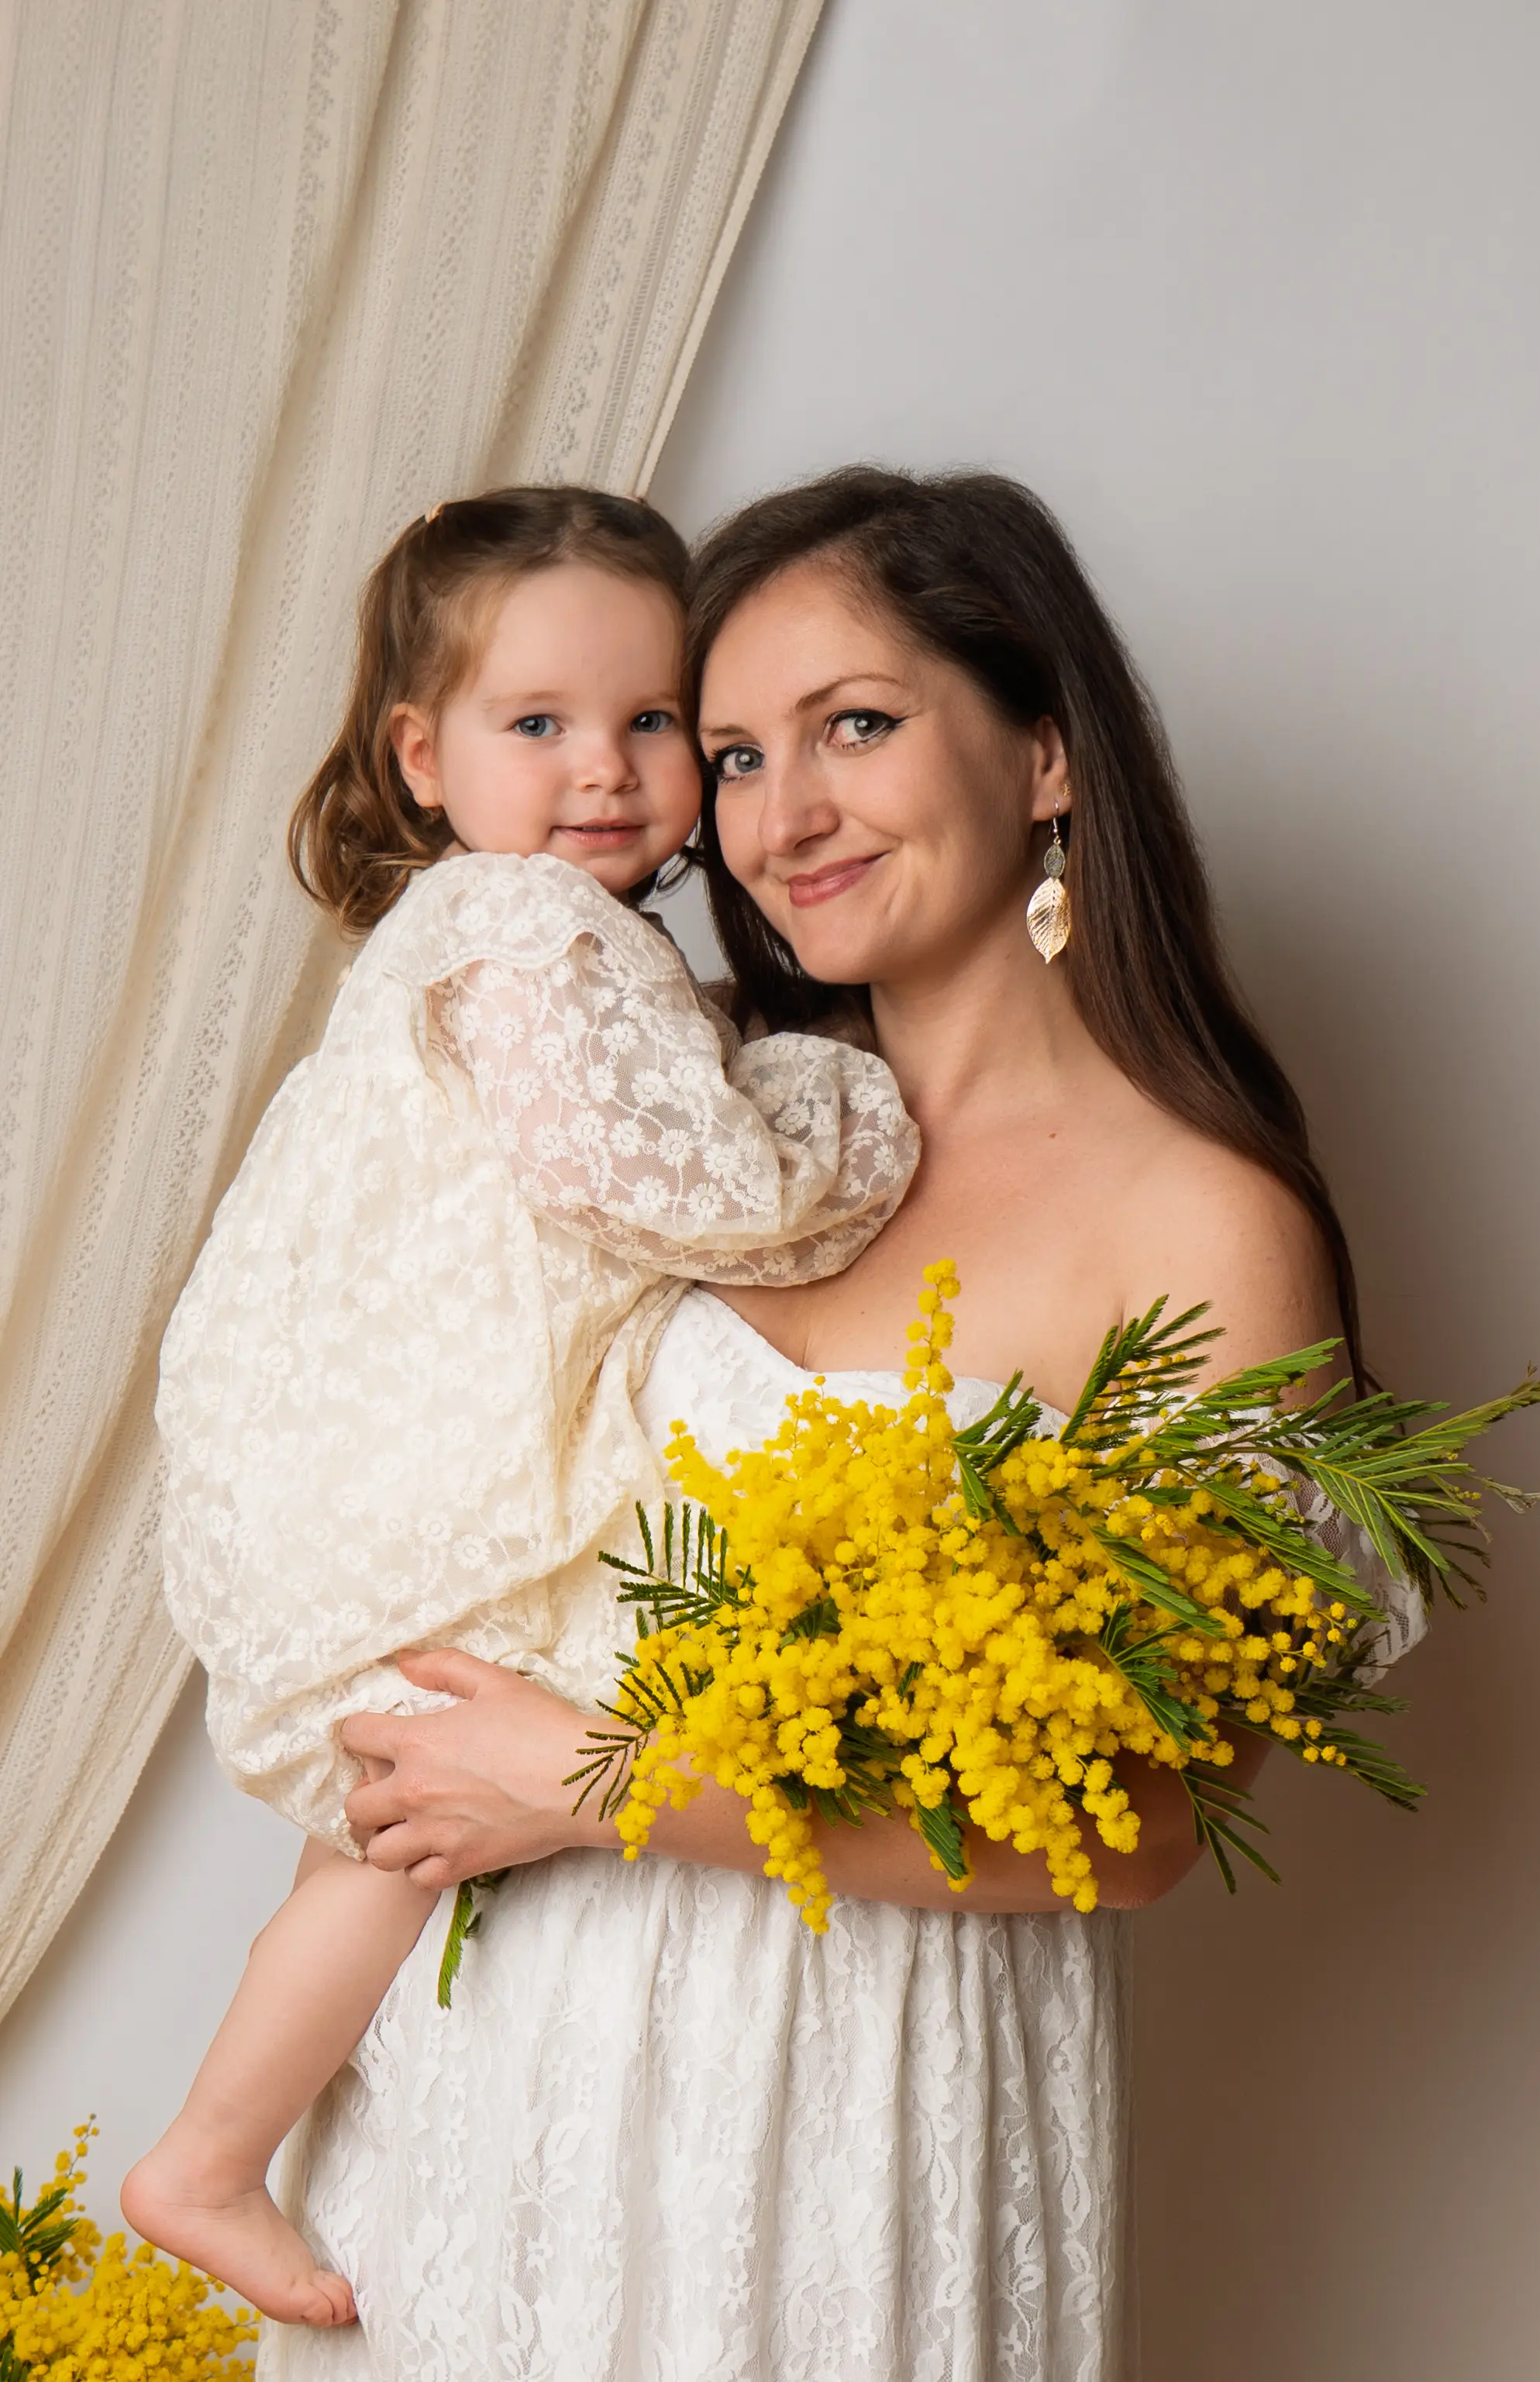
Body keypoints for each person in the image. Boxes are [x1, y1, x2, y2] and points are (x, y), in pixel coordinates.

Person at [259, 467, 1422, 2382]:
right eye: (727, 753)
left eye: (854, 726)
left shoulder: (1196, 1221)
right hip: (484, 2067)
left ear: (1046, 752)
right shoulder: (686, 1103)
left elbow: (1132, 1825)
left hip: (851, 2102)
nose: (778, 815)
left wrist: (598, 1785)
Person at [120, 484, 920, 2328]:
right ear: (421, 755)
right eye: (536, 724)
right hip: (422, 1456)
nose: (608, 773)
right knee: (415, 1806)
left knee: (381, 1822)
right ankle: (209, 2157)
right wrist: (843, 1105)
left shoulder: (508, 934)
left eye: (653, 721)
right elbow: (673, 1189)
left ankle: (212, 2147)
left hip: (361, 1428)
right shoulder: (529, 930)